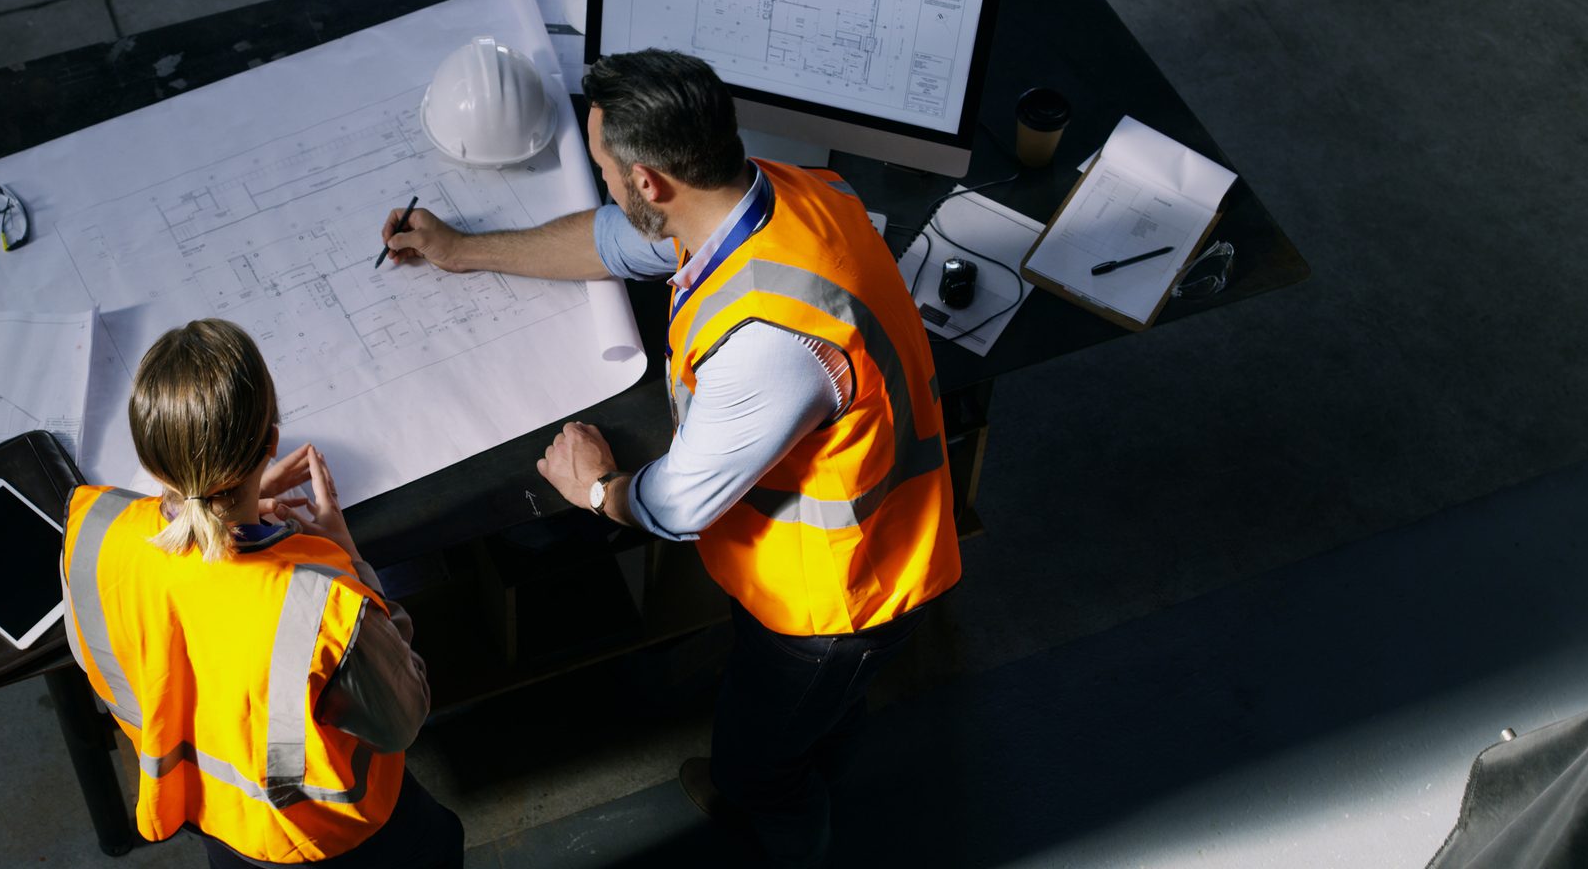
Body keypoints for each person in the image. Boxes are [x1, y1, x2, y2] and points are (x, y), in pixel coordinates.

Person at [381, 49, 962, 866]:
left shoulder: (772, 344)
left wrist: (596, 490)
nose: (605, 188)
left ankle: (788, 826)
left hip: (837, 600)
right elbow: (616, 242)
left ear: (651, 180)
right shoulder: (777, 194)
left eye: (605, 171)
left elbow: (678, 507)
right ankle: (812, 752)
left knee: (760, 763)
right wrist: (463, 249)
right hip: (858, 548)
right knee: (816, 721)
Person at [58, 318, 463, 867]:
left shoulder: (94, 530)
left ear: (152, 459)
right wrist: (348, 554)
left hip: (215, 826)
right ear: (271, 444)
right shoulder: (326, 610)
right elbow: (403, 718)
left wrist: (226, 510)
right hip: (331, 842)